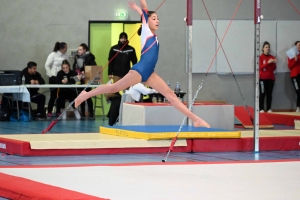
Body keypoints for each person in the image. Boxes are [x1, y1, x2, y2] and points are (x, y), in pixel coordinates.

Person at [75, 0, 210, 128]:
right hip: (139, 71)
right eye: (154, 18)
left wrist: (137, 9)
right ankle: (84, 95)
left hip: (150, 73)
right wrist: (140, 9)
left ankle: (196, 119)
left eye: (158, 19)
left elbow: (143, 13)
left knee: (171, 95)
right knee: (114, 88)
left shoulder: (154, 36)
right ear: (146, 21)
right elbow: (144, 7)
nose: (157, 21)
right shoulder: (145, 31)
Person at [45, 42, 69, 118]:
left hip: (62, 77)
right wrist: (51, 75)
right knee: (53, 95)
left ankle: (59, 111)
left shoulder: (66, 55)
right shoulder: (52, 55)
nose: (67, 49)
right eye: (66, 48)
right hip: (53, 77)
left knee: (61, 95)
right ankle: (49, 111)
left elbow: (67, 65)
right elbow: (47, 65)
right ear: (62, 48)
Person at [73, 43, 96, 119]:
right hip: (79, 79)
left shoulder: (90, 58)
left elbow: (94, 68)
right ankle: (82, 113)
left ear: (85, 50)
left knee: (88, 96)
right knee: (80, 95)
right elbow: (74, 67)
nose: (78, 51)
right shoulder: (77, 58)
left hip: (87, 79)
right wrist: (77, 73)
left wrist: (85, 71)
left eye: (80, 50)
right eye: (78, 50)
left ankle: (91, 113)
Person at [259, 41, 277, 113]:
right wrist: (268, 62)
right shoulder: (260, 57)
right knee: (262, 94)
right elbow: (260, 67)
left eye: (268, 47)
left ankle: (269, 108)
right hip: (262, 79)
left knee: (269, 94)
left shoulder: (271, 57)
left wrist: (273, 62)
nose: (267, 49)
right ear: (263, 48)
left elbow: (273, 68)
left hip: (270, 79)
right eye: (266, 47)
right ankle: (261, 108)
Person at [287, 41, 300, 112]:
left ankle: (298, 107)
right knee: (298, 91)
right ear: (295, 46)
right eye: (298, 45)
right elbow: (290, 66)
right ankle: (298, 107)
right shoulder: (291, 55)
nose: (299, 47)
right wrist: (295, 60)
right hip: (295, 76)